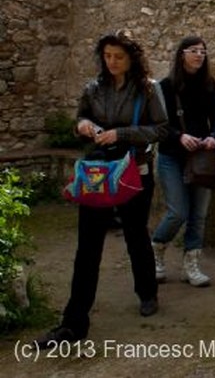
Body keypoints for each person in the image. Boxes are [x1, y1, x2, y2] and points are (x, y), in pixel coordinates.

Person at [36, 29, 168, 347]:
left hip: (133, 172)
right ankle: (73, 324)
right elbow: (81, 117)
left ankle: (147, 292)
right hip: (98, 174)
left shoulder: (148, 90)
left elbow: (161, 129)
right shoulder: (92, 88)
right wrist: (83, 125)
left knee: (136, 235)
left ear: (131, 58)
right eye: (107, 56)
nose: (112, 62)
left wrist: (121, 134)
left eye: (118, 56)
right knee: (87, 248)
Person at [152, 36, 215, 287]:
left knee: (199, 214)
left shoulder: (209, 85)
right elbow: (159, 125)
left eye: (203, 51)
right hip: (172, 156)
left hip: (201, 158)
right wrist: (180, 136)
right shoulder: (165, 87)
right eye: (194, 50)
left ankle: (191, 263)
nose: (199, 55)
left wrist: (214, 137)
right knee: (178, 212)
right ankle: (157, 249)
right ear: (182, 54)